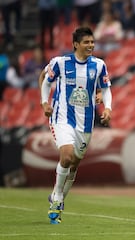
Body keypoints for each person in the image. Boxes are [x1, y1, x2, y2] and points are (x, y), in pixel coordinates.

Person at [40, 27, 112, 224]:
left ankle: (58, 194)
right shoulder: (60, 63)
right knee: (67, 154)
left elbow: (106, 89)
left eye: (92, 42)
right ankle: (57, 199)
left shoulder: (98, 65)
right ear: (76, 44)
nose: (90, 45)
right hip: (62, 118)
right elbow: (46, 82)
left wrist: (108, 108)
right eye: (86, 42)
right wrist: (45, 103)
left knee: (74, 164)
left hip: (85, 123)